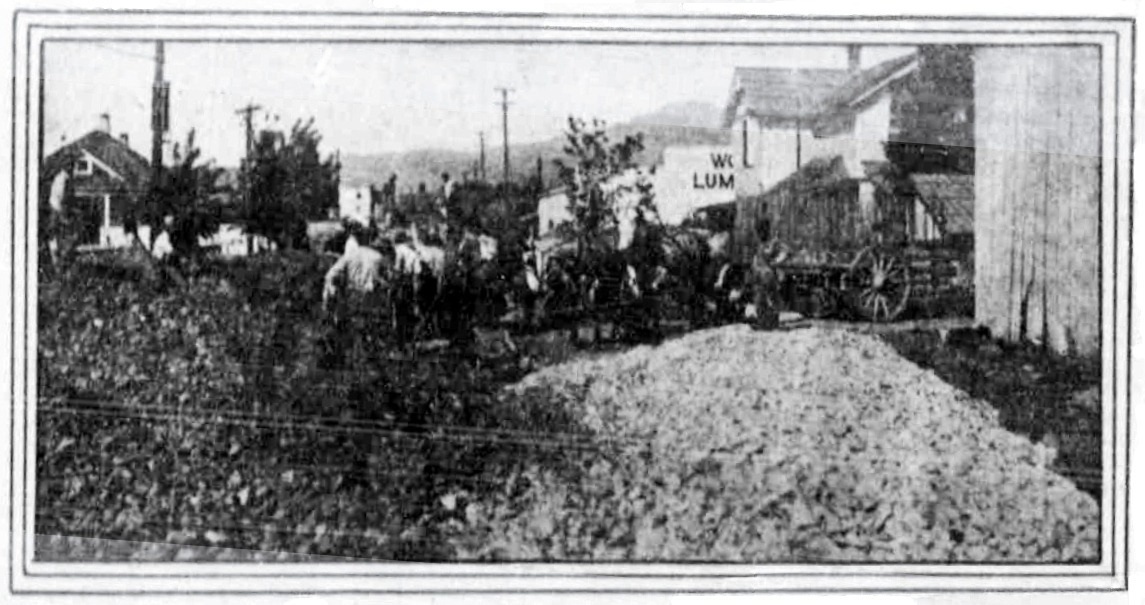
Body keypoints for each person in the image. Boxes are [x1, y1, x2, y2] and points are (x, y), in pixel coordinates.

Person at [320, 222, 391, 369]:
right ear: (369, 239)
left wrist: (332, 291)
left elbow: (331, 275)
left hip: (352, 295)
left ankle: (351, 360)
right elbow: (386, 280)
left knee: (350, 329)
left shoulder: (349, 256)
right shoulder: (377, 257)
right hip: (371, 297)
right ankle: (368, 361)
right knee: (370, 329)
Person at [746, 240, 785, 331]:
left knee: (767, 301)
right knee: (768, 301)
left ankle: (767, 324)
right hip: (764, 282)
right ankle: (768, 323)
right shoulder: (763, 260)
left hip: (764, 283)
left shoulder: (762, 260)